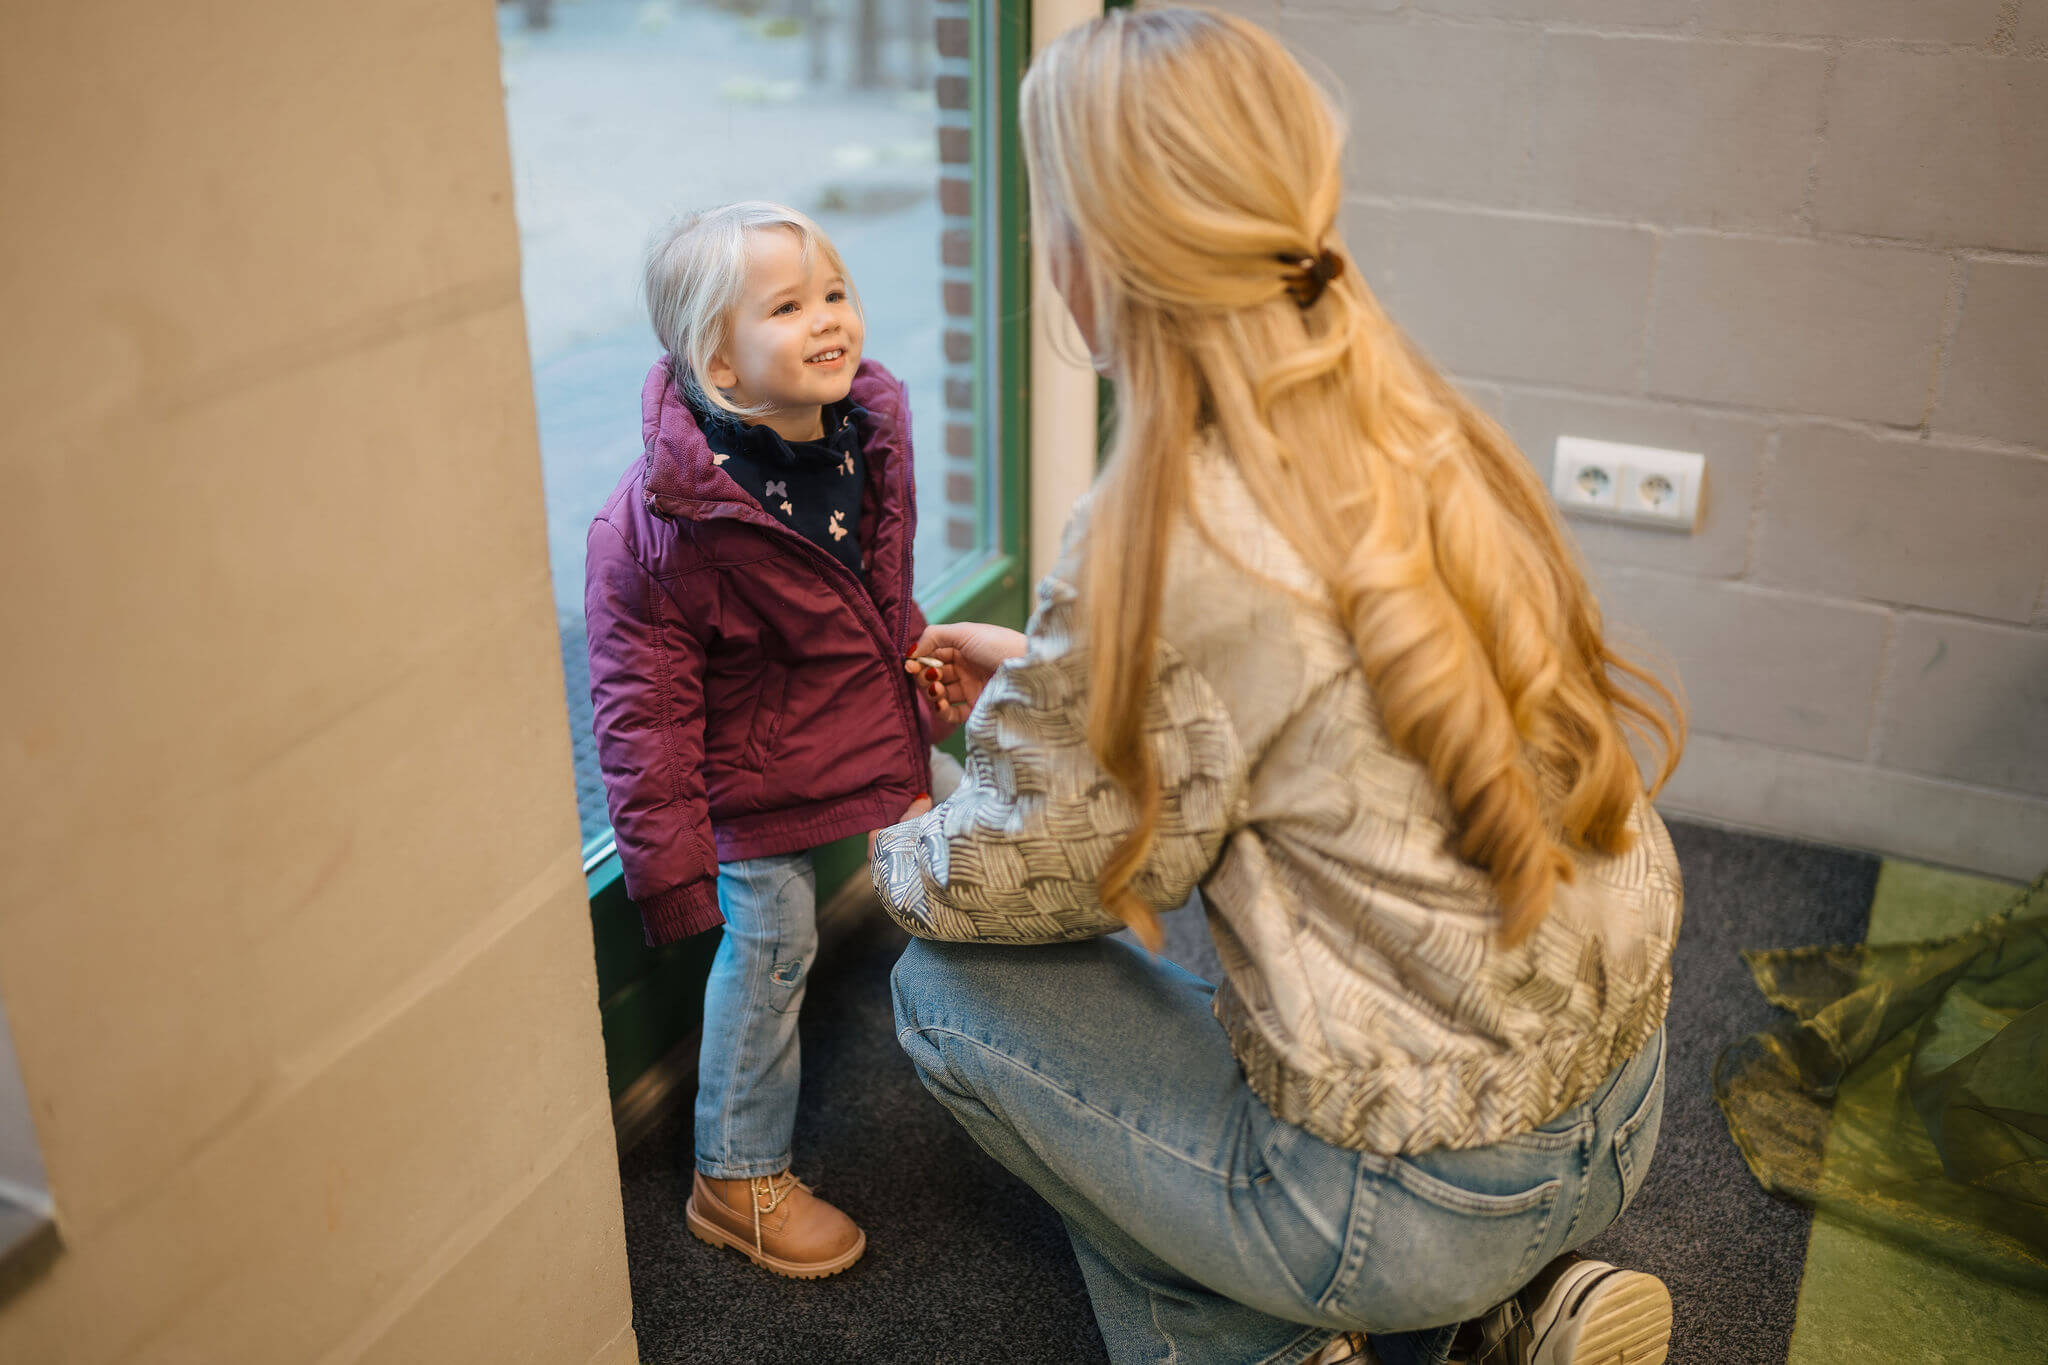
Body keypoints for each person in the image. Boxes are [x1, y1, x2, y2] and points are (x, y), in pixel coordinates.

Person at [871, 10, 1684, 1365]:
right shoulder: (1413, 415)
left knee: (942, 989)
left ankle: (1275, 1338)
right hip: (1620, 1105)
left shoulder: (1164, 532)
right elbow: (1294, 699)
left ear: (1088, 255)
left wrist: (889, 828)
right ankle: (1508, 1320)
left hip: (1416, 1193)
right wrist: (1060, 673)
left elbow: (1021, 875)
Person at [585, 201, 944, 1280]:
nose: (830, 320)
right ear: (721, 368)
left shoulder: (860, 435)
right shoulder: (657, 525)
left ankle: (1063, 1060)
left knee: (985, 831)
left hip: (863, 730)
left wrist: (916, 667)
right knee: (775, 952)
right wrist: (672, 878)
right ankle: (733, 1177)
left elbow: (871, 590)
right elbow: (639, 717)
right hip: (750, 791)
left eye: (833, 293)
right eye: (788, 307)